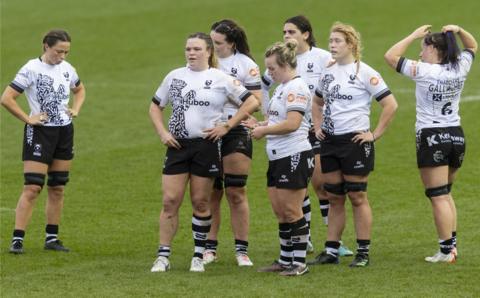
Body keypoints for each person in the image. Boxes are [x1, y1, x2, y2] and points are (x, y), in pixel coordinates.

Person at [149, 32, 259, 273]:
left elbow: (251, 102)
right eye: (188, 49)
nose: (191, 53)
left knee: (201, 201)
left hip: (206, 146)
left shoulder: (220, 78)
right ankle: (163, 256)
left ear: (208, 52)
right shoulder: (175, 76)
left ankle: (198, 255)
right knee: (170, 200)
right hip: (177, 146)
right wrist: (162, 133)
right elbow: (156, 106)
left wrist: (227, 126)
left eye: (197, 49)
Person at [308, 22, 398, 267]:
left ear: (351, 44)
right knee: (334, 197)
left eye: (337, 41)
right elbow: (316, 103)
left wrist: (375, 134)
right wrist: (317, 128)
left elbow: (390, 104)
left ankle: (363, 252)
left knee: (357, 196)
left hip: (355, 142)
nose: (332, 46)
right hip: (330, 142)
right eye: (331, 41)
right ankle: (331, 250)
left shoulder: (365, 72)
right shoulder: (326, 73)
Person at [384, 25, 477, 263]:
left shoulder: (423, 71)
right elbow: (472, 46)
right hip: (456, 135)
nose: (419, 53)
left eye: (422, 48)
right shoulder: (460, 67)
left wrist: (412, 34)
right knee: (445, 195)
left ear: (434, 48)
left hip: (432, 136)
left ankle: (446, 251)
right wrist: (458, 30)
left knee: (437, 196)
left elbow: (390, 56)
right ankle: (451, 247)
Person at [261, 15, 353, 256]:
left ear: (306, 34)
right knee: (296, 188)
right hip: (291, 132)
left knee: (321, 186)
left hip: (315, 131)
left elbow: (337, 84)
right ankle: (305, 237)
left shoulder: (322, 58)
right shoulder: (282, 59)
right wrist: (268, 114)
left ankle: (333, 241)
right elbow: (262, 85)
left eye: (291, 31)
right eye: (284, 32)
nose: (287, 36)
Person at [1, 29, 86, 254]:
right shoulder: (31, 69)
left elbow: (79, 90)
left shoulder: (67, 69)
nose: (62, 57)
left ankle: (52, 238)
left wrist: (75, 109)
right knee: (32, 186)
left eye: (66, 52)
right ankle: (17, 239)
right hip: (40, 132)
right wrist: (28, 119)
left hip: (64, 132)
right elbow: (6, 98)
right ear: (45, 46)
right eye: (59, 51)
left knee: (57, 186)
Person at [244, 40, 314, 276]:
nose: (269, 73)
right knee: (280, 211)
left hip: (293, 154)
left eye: (272, 68)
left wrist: (264, 131)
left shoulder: (296, 88)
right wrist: (261, 124)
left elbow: (293, 124)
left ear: (285, 64)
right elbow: (278, 120)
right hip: (277, 156)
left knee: (293, 210)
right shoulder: (282, 88)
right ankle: (285, 259)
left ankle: (300, 263)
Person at [203, 19, 262, 267]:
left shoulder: (246, 65)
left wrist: (231, 115)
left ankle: (241, 250)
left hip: (235, 130)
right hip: (207, 131)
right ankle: (209, 248)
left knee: (236, 191)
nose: (213, 47)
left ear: (232, 43)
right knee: (211, 192)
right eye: (211, 42)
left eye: (218, 43)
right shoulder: (203, 61)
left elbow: (256, 100)